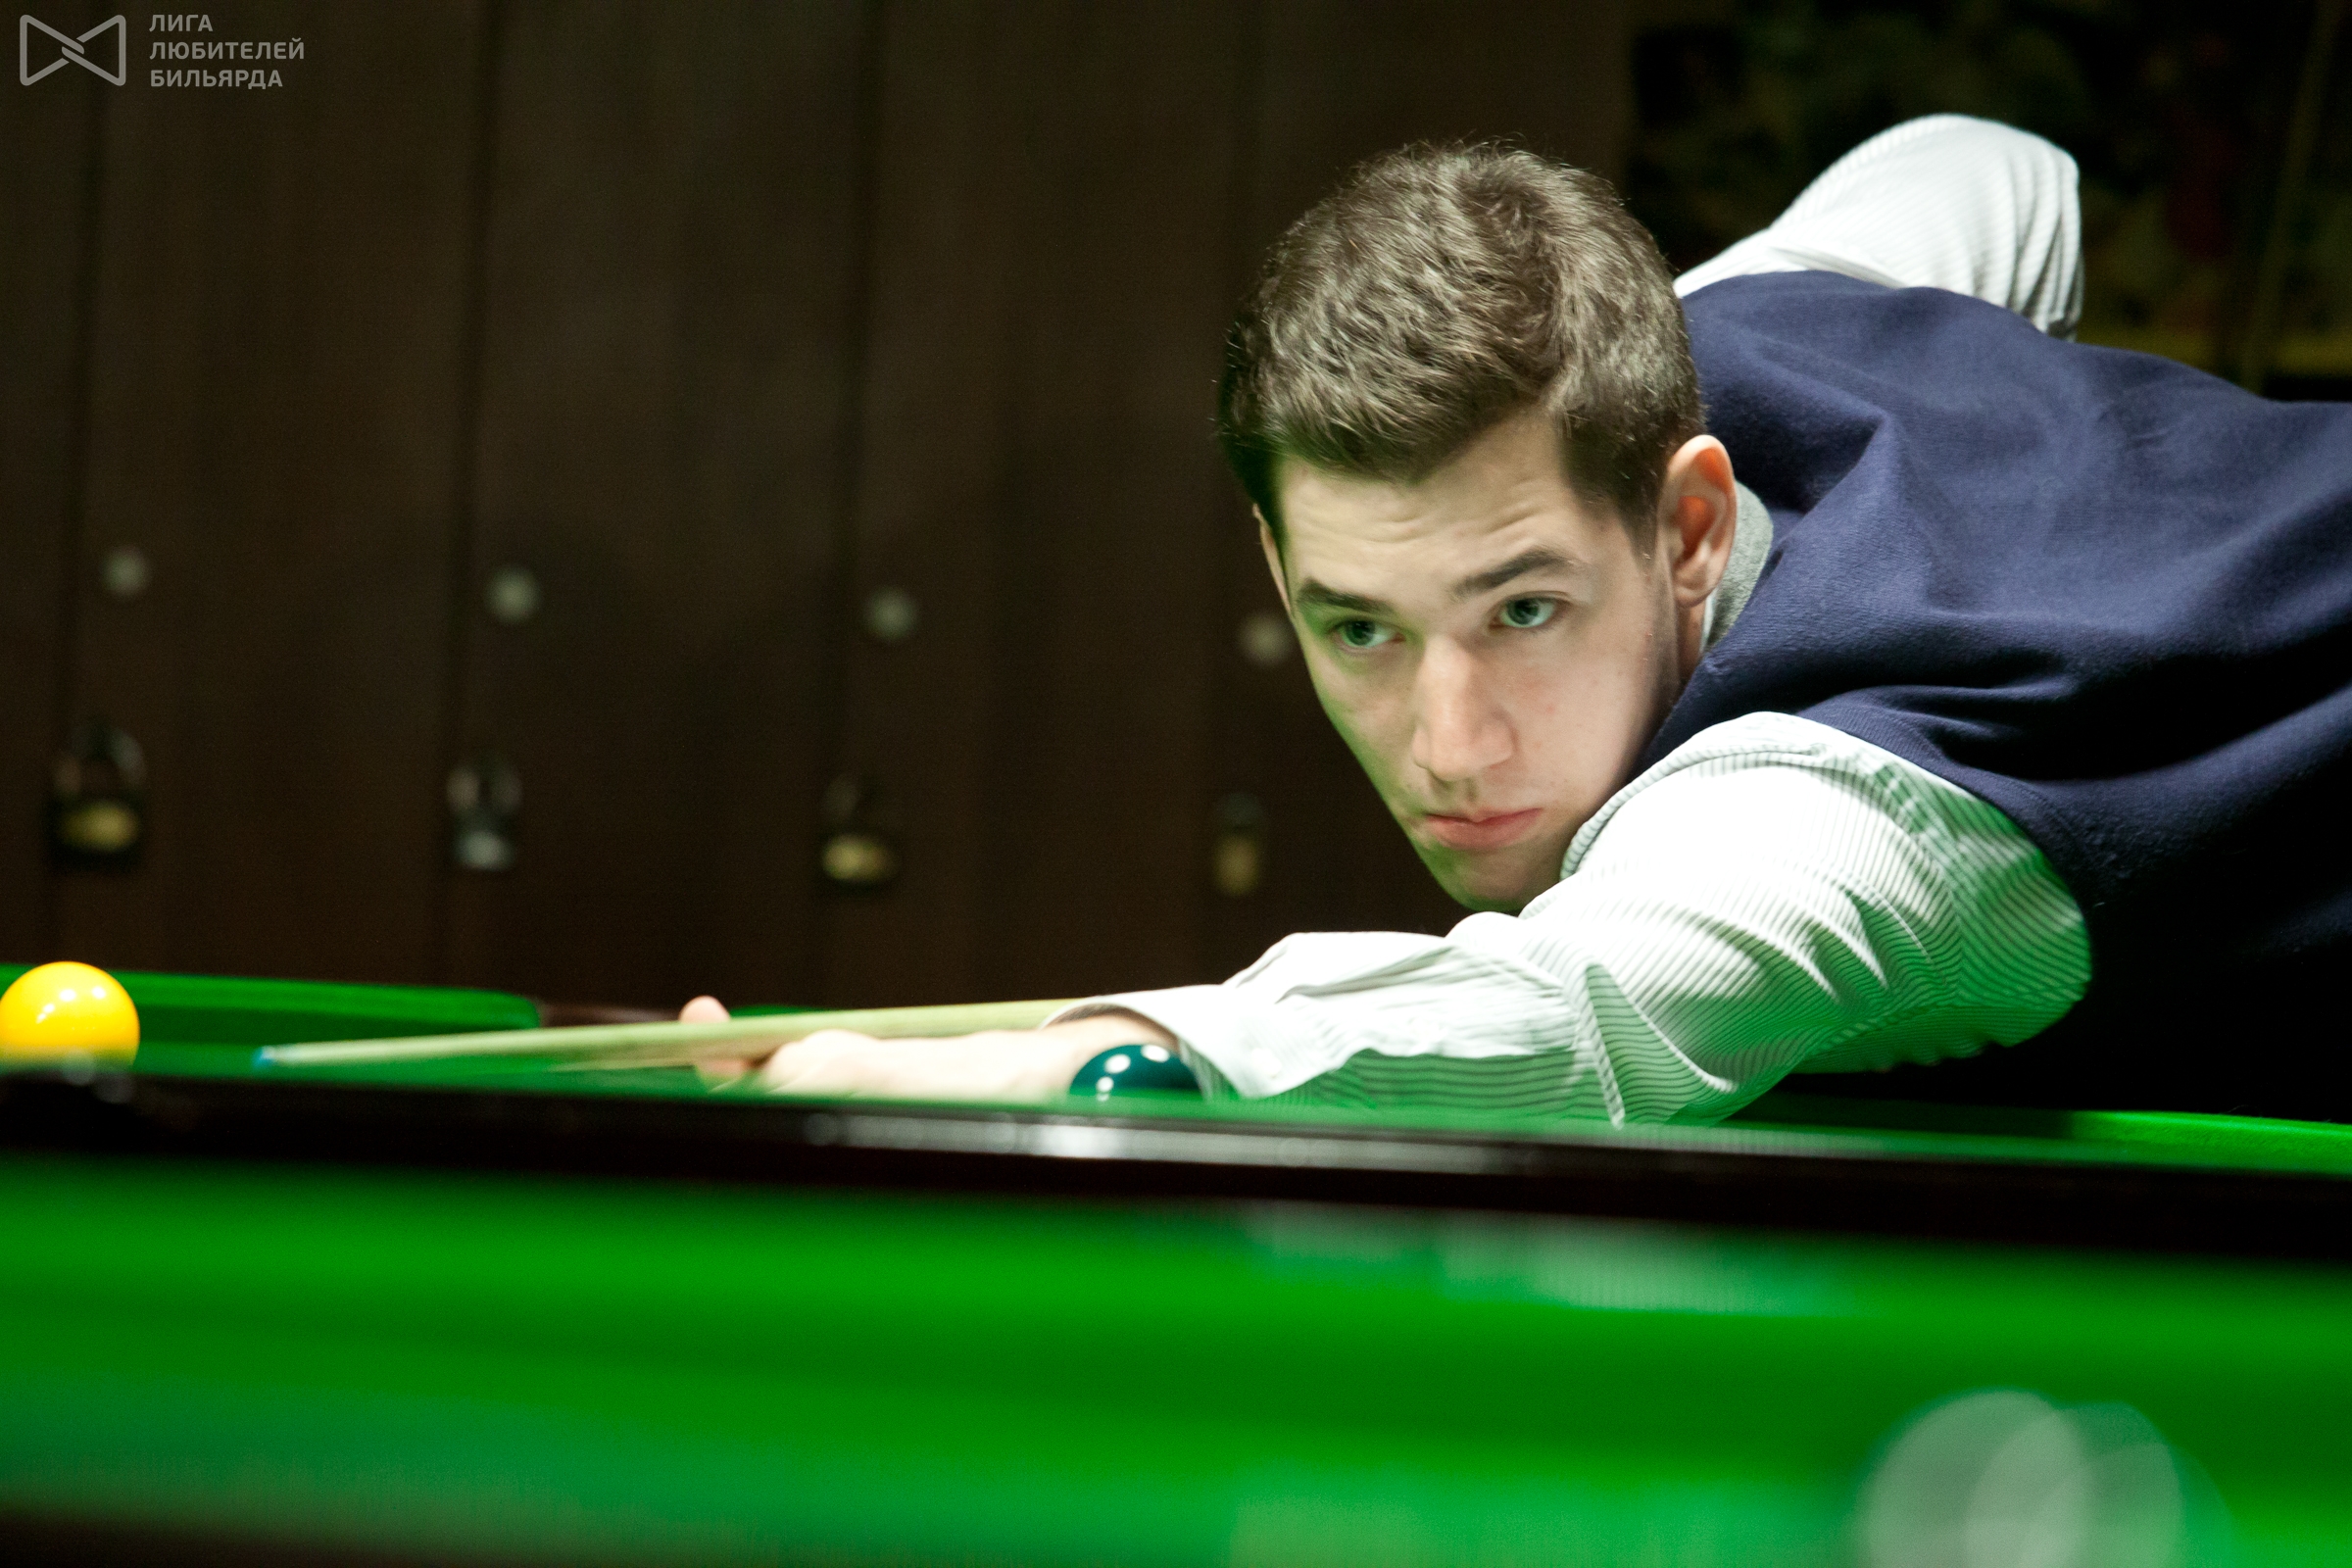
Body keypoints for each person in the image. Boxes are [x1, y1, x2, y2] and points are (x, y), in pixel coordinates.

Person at [691, 116, 2352, 1123]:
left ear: (1688, 525)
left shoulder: (1846, 809)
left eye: (1525, 607)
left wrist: (1067, 1067)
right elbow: (1992, 168)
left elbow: (1572, 1014)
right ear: (1277, 568)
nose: (1450, 746)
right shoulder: (1724, 322)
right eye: (1361, 628)